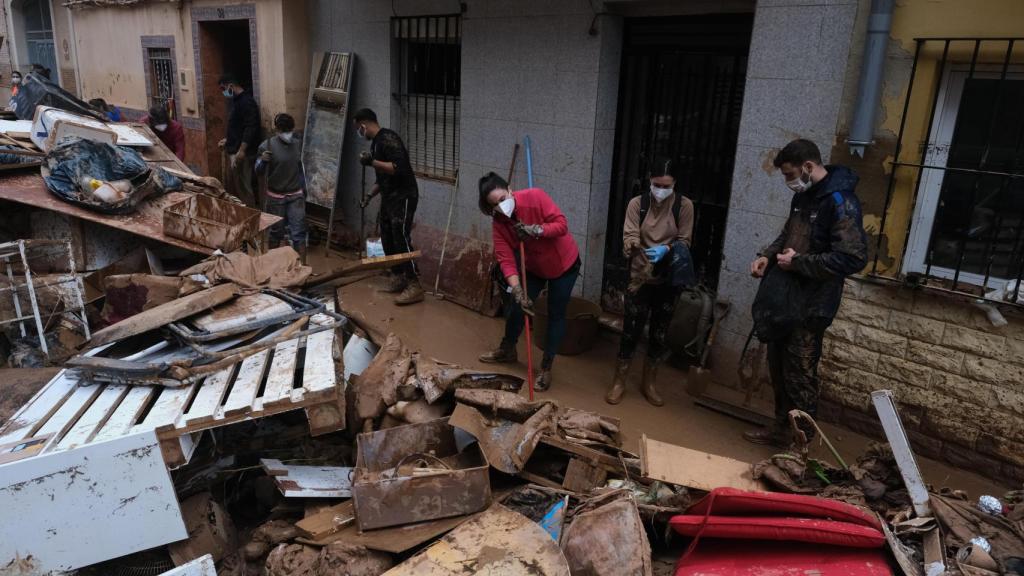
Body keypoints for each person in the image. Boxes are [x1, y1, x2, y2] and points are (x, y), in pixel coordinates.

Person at [744, 139, 867, 446]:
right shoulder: (805, 198)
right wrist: (768, 256)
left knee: (800, 377)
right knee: (779, 369)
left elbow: (852, 258)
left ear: (809, 167)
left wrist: (798, 262)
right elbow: (788, 233)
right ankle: (779, 429)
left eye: (790, 175)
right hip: (785, 300)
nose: (789, 182)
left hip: (811, 307)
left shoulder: (841, 201)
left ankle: (802, 446)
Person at [477, 172, 581, 392]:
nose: (501, 206)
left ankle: (546, 366)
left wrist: (538, 230)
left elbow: (561, 224)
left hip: (564, 265)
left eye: (503, 198)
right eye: (495, 204)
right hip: (533, 266)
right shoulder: (499, 224)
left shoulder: (535, 197)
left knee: (555, 312)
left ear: (510, 190)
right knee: (517, 305)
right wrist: (516, 288)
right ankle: (508, 349)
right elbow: (506, 259)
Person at [606, 158, 695, 407]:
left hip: (669, 278)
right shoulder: (638, 204)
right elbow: (630, 232)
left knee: (659, 332)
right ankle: (619, 381)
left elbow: (685, 240)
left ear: (674, 183)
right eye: (656, 184)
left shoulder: (684, 206)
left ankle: (650, 382)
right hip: (640, 275)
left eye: (666, 185)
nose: (660, 189)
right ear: (649, 180)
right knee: (631, 330)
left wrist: (667, 249)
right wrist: (632, 245)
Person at [353, 107, 423, 305]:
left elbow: (398, 168)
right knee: (387, 239)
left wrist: (372, 162)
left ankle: (414, 284)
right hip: (389, 197)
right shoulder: (376, 143)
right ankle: (398, 276)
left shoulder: (388, 138)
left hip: (404, 196)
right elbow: (382, 178)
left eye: (359, 129)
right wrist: (368, 196)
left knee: (401, 238)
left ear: (363, 125)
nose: (360, 133)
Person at [257, 113, 308, 263]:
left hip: (295, 195)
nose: (287, 134)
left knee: (298, 233)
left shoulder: (297, 144)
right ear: (277, 130)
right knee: (275, 233)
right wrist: (262, 161)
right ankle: (273, 266)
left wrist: (304, 190)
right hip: (275, 196)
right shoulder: (266, 146)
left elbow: (301, 168)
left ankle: (303, 268)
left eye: (289, 130)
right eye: (284, 131)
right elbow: (258, 171)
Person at [218, 73, 260, 208]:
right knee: (239, 187)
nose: (223, 92)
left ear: (231, 85)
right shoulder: (236, 101)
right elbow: (238, 126)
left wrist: (242, 150)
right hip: (235, 149)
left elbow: (251, 127)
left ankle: (252, 214)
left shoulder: (246, 102)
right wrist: (228, 140)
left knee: (244, 187)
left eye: (223, 88)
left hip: (243, 154)